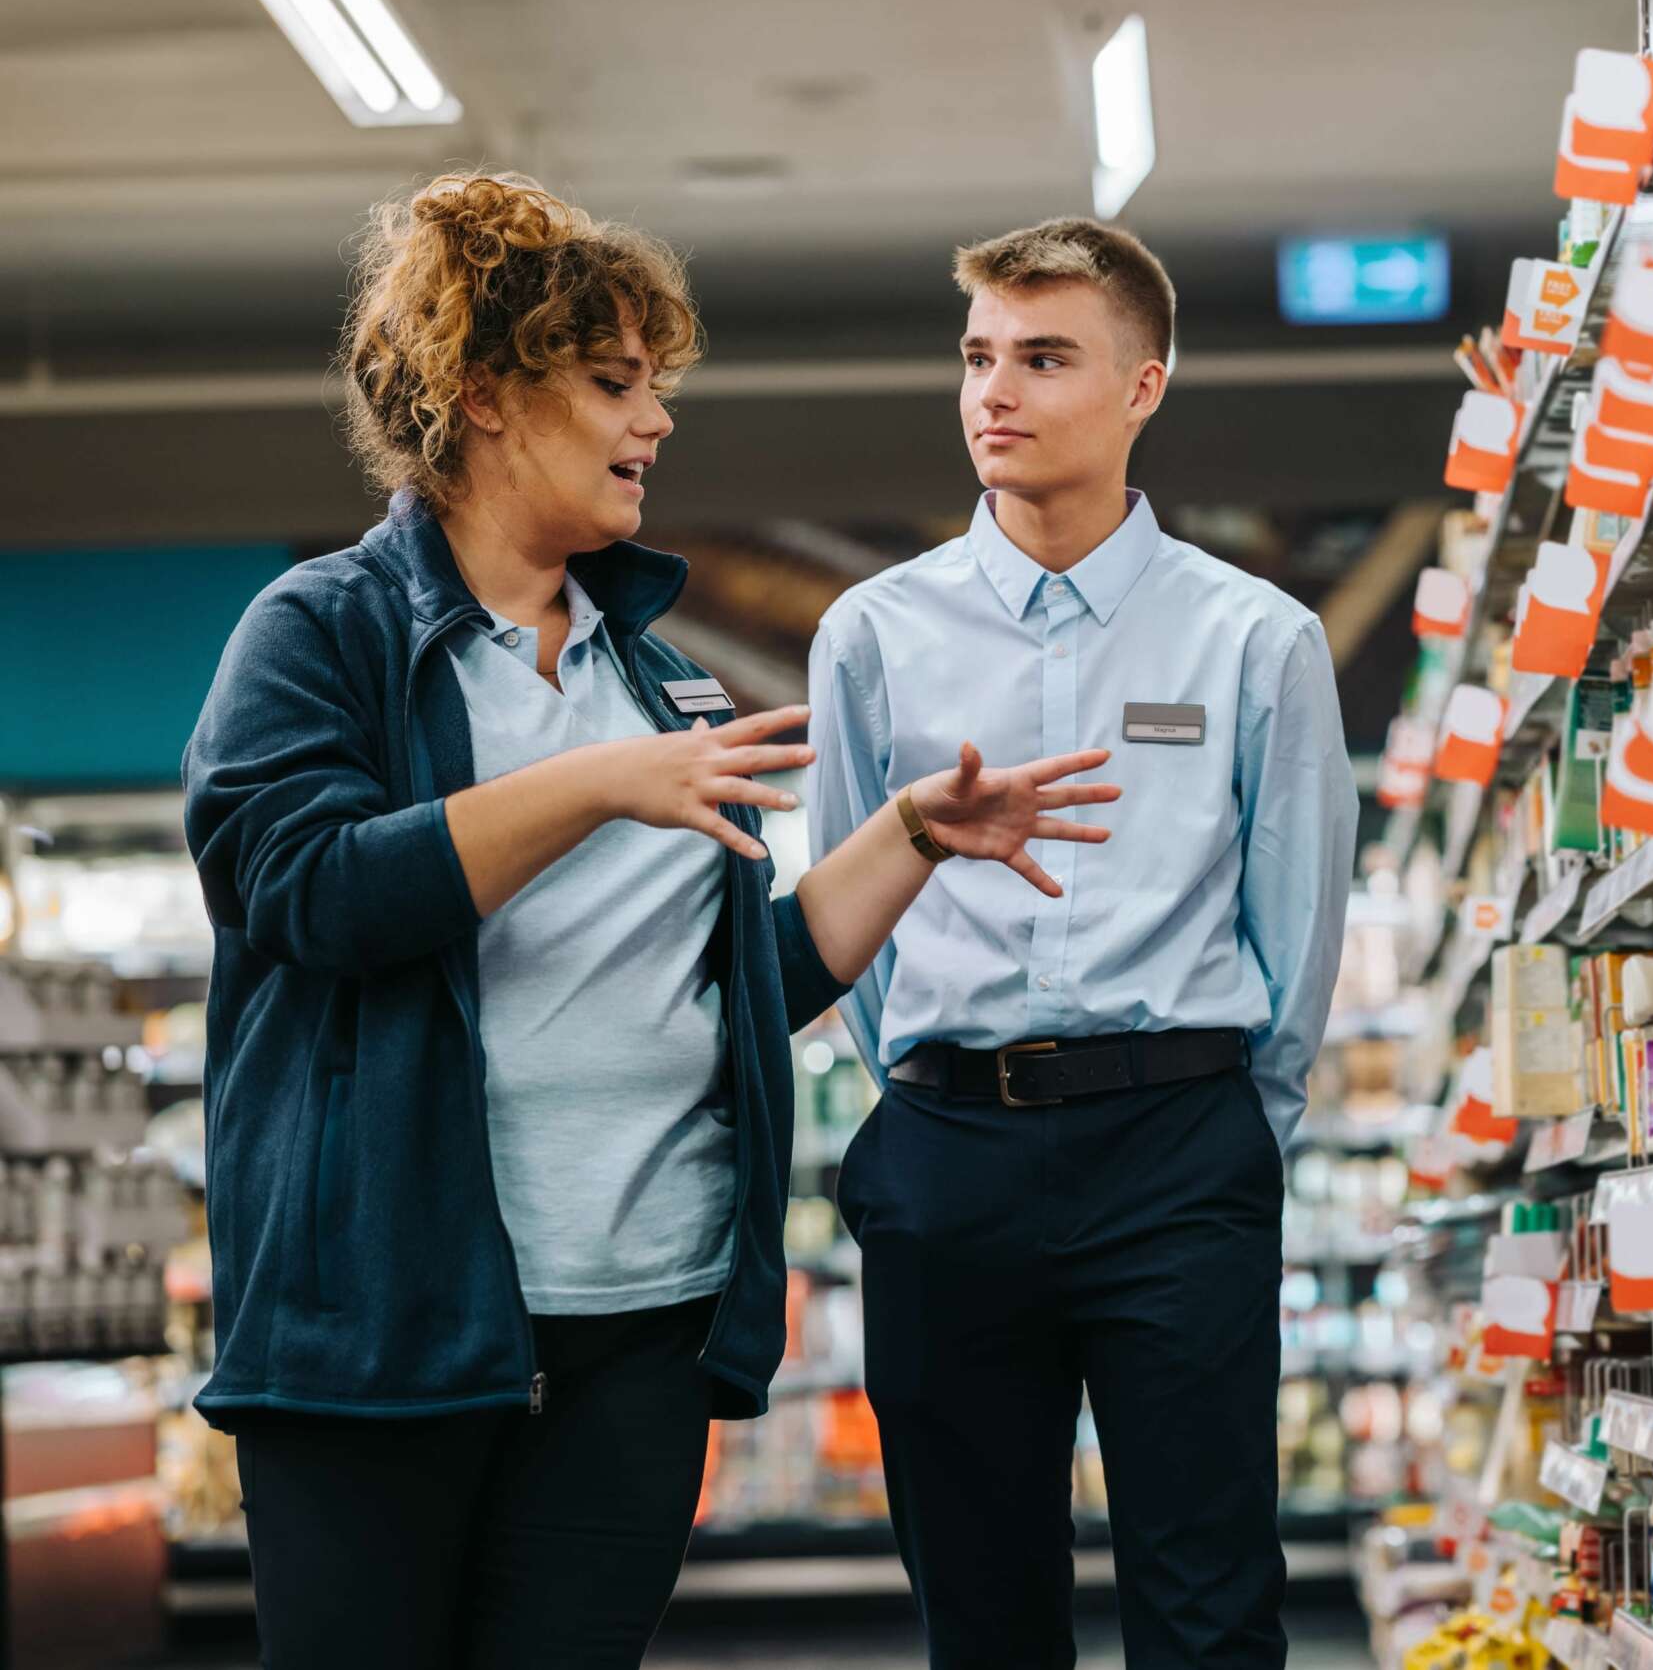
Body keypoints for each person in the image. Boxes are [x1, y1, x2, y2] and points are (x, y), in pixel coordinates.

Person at [180, 172, 1121, 1670]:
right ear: (483, 395)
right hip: (388, 1328)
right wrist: (593, 786)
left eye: (658, 386)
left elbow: (732, 986)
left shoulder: (654, 676)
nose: (657, 423)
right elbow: (301, 892)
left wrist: (911, 840)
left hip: (643, 1325)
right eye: (617, 385)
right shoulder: (325, 634)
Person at [807, 216, 1358, 1668]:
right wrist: (933, 1096)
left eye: (1045, 357)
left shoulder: (1255, 639)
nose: (997, 391)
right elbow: (844, 920)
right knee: (981, 1618)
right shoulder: (872, 635)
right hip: (947, 1156)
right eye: (980, 356)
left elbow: (1297, 933)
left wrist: (1236, 1133)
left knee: (1211, 1605)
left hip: (1177, 1152)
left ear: (1143, 388)